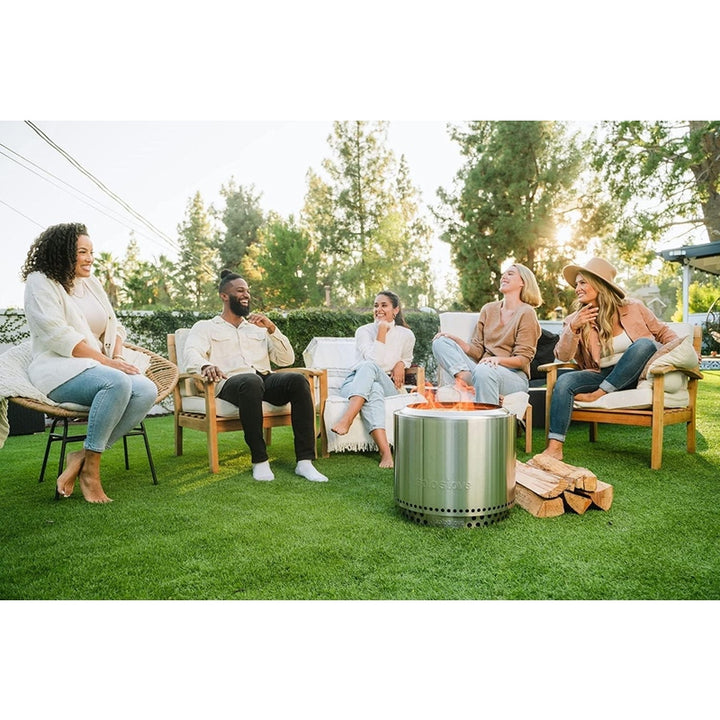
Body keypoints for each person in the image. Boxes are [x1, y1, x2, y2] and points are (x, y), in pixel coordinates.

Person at [21, 223, 158, 503]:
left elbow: (114, 327)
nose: (90, 258)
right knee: (116, 382)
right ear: (61, 252)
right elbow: (58, 336)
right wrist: (108, 363)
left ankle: (82, 456)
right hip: (57, 368)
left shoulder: (91, 283)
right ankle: (91, 473)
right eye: (82, 252)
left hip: (98, 366)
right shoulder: (40, 281)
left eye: (91, 252)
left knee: (146, 390)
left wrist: (117, 357)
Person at [183, 270, 327, 483]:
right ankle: (260, 460)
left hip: (264, 379)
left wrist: (272, 329)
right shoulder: (206, 327)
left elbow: (286, 359)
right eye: (240, 291)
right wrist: (205, 365)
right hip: (230, 383)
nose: (246, 295)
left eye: (248, 291)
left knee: (297, 381)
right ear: (224, 296)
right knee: (250, 381)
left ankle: (305, 462)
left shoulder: (257, 329)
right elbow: (191, 353)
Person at [542, 256, 679, 460]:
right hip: (600, 374)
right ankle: (554, 449)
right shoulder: (574, 319)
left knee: (644, 345)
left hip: (634, 374)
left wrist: (687, 353)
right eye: (576, 284)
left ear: (599, 284)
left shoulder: (633, 307)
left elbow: (664, 333)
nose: (577, 288)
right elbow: (562, 355)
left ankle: (597, 394)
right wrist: (574, 328)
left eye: (583, 283)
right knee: (564, 381)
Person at [432, 263, 542, 405]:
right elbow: (478, 350)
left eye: (510, 274)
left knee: (484, 370)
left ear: (523, 282)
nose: (504, 276)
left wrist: (497, 360)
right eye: (504, 274)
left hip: (513, 376)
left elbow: (523, 359)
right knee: (440, 342)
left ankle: (484, 409)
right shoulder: (488, 309)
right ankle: (467, 379)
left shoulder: (527, 313)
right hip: (481, 371)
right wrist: (455, 339)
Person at [330, 290, 415, 469]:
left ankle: (347, 418)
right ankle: (385, 453)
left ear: (396, 310)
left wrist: (401, 363)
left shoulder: (406, 335)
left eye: (384, 305)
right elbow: (374, 360)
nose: (378, 309)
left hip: (388, 384)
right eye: (376, 306)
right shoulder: (363, 331)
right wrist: (381, 330)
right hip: (355, 382)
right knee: (373, 386)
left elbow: (406, 358)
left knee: (372, 373)